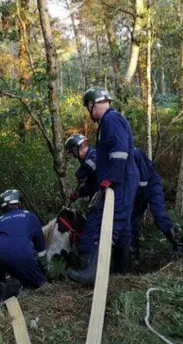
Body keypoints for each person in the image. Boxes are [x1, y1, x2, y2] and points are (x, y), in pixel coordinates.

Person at [67, 88, 139, 284]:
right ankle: (122, 272)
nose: (89, 113)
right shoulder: (109, 121)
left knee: (110, 225)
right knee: (122, 226)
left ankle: (93, 273)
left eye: (88, 108)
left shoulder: (111, 120)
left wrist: (111, 178)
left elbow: (120, 150)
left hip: (121, 180)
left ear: (92, 105)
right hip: (122, 180)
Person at [0, 189, 47, 300]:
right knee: (42, 285)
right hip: (22, 256)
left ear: (4, 207)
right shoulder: (30, 216)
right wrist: (43, 269)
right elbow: (41, 249)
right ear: (19, 203)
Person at [131, 148, 183, 255]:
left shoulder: (135, 154)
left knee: (158, 214)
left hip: (151, 185)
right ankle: (133, 252)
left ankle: (178, 244)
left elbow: (143, 180)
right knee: (131, 221)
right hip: (137, 192)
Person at [65, 134, 98, 202]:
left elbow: (95, 162)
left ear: (81, 146)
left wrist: (79, 173)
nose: (74, 155)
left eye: (73, 151)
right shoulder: (86, 160)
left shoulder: (94, 153)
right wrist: (78, 193)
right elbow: (90, 186)